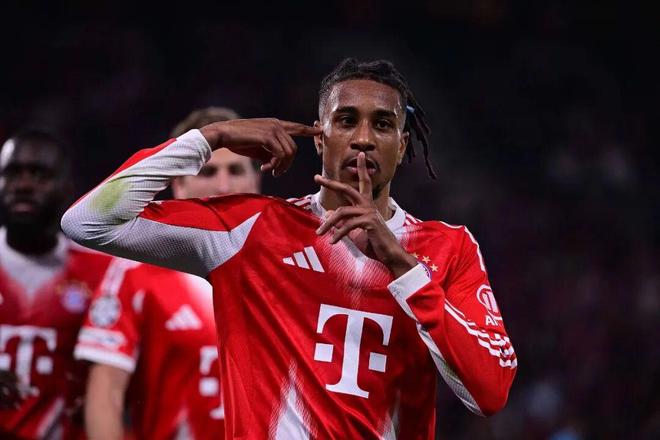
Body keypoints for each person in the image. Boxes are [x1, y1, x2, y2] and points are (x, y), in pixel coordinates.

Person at [62, 58, 517, 438]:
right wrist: (210, 138)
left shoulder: (449, 247)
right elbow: (86, 222)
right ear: (320, 137)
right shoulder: (253, 229)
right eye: (346, 120)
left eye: (382, 124)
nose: (362, 138)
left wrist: (402, 265)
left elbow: (489, 394)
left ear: (401, 147)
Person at [75, 107, 260, 439]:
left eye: (235, 170)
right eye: (208, 172)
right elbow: (106, 394)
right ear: (178, 184)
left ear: (256, 180)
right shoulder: (135, 270)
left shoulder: (288, 262)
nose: (223, 185)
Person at [0, 129, 113, 438]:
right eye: (12, 173)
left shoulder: (104, 272)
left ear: (67, 188)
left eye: (39, 174)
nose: (23, 185)